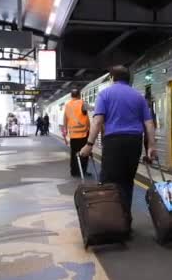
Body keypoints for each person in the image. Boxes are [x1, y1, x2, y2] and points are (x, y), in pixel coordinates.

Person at [80, 66, 157, 228]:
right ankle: (126, 222)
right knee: (127, 182)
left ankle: (111, 223)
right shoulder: (138, 97)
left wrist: (89, 144)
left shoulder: (105, 94)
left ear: (112, 78)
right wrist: (151, 146)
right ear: (128, 78)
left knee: (109, 183)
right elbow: (149, 124)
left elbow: (98, 121)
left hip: (114, 142)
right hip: (134, 142)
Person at [63, 89, 91, 177]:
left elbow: (65, 119)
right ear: (79, 95)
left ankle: (74, 172)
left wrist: (65, 132)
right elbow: (93, 109)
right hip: (83, 134)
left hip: (73, 135)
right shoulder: (82, 103)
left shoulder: (67, 105)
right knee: (84, 154)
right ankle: (82, 171)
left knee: (74, 154)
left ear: (71, 96)